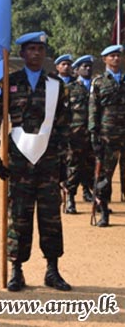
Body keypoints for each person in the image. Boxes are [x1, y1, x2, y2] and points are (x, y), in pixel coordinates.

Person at [0, 31, 72, 292]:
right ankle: (16, 270)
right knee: (19, 216)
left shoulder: (56, 85)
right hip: (19, 162)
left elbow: (64, 127)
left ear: (45, 54)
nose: (36, 53)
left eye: (40, 50)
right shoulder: (9, 83)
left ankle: (52, 270)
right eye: (31, 49)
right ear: (22, 54)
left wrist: (66, 164)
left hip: (48, 163)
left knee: (50, 218)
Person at [88, 44, 125, 227]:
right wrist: (94, 135)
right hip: (107, 137)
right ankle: (104, 213)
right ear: (105, 60)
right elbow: (93, 110)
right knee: (104, 178)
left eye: (118, 55)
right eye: (112, 56)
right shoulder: (99, 82)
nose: (116, 59)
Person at [65, 55, 95, 214]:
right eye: (84, 66)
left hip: (94, 135)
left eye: (90, 66)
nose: (88, 69)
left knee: (91, 166)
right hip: (75, 135)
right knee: (74, 166)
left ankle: (88, 193)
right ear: (76, 70)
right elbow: (64, 113)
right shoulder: (70, 89)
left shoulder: (97, 87)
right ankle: (70, 197)